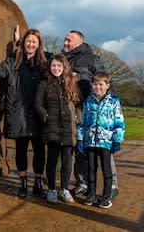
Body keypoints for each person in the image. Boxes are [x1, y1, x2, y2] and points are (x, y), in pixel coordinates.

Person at [0, 27, 48, 197]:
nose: (31, 44)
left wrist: (19, 42)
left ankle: (38, 184)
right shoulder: (13, 62)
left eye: (34, 41)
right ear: (24, 42)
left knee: (39, 151)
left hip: (38, 114)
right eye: (28, 41)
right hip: (19, 114)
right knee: (20, 150)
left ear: (39, 44)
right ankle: (23, 183)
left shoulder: (44, 64)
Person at [62, 30, 119, 198]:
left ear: (78, 43)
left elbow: (106, 81)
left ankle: (113, 185)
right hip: (72, 110)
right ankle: (83, 182)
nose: (65, 42)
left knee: (103, 147)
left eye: (68, 40)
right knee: (79, 147)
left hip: (93, 111)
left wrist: (112, 104)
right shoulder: (62, 58)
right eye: (65, 39)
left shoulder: (92, 59)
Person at [35, 54, 82, 204]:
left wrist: (78, 118)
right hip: (52, 128)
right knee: (52, 160)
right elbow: (37, 103)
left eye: (59, 66)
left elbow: (78, 103)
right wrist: (45, 115)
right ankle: (52, 190)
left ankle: (64, 189)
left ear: (64, 67)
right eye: (53, 66)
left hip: (69, 128)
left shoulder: (73, 83)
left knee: (68, 161)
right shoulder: (44, 83)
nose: (56, 68)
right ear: (50, 67)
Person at [76, 71, 125, 209]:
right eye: (95, 84)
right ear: (92, 85)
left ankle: (106, 196)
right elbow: (82, 122)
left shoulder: (114, 101)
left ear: (107, 85)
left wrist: (117, 140)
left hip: (106, 142)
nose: (98, 87)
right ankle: (91, 194)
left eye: (101, 84)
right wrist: (80, 139)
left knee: (106, 170)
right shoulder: (88, 102)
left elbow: (119, 122)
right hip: (90, 142)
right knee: (91, 169)